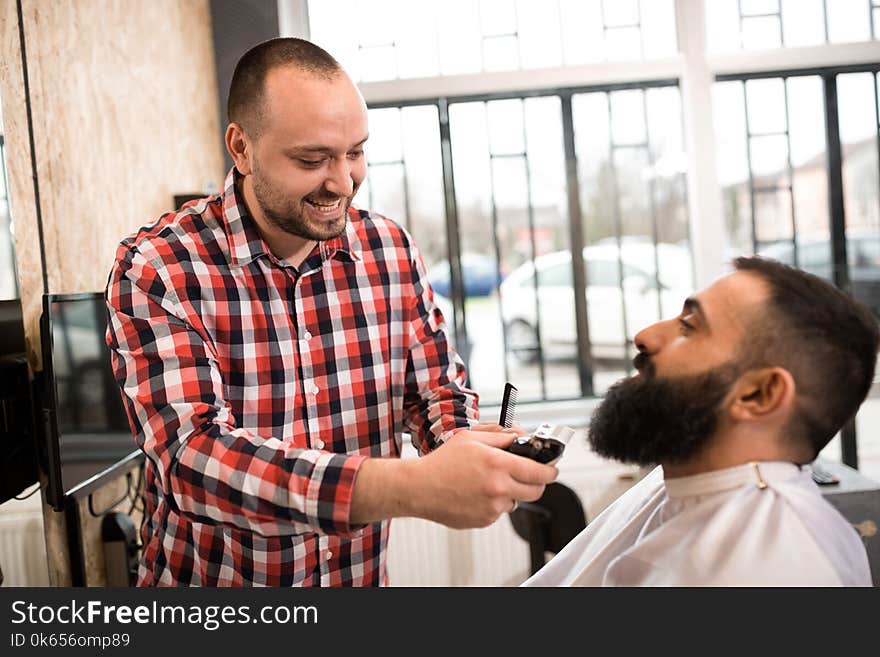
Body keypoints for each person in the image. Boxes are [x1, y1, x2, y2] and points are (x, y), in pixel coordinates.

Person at [105, 37, 556, 587]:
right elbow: (194, 460)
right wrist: (414, 487)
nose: (343, 183)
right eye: (312, 159)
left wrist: (462, 446)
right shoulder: (158, 268)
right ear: (240, 148)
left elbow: (434, 390)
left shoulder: (389, 249)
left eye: (356, 152)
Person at [523, 256, 878, 586]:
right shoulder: (683, 485)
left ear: (759, 394)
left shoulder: (776, 567)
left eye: (689, 326)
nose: (645, 334)